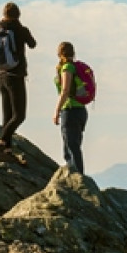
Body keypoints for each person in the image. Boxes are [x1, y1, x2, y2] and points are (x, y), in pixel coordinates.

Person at [0, 2, 36, 161]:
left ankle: (7, 151)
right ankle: (1, 145)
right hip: (16, 77)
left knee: (7, 116)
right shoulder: (21, 30)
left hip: (1, 77)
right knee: (19, 115)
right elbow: (33, 44)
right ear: (18, 14)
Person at [53, 41, 88, 173]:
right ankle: (76, 174)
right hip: (81, 110)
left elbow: (65, 90)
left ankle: (77, 177)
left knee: (71, 147)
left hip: (70, 110)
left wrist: (57, 110)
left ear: (60, 53)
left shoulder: (67, 67)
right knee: (73, 145)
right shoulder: (75, 67)